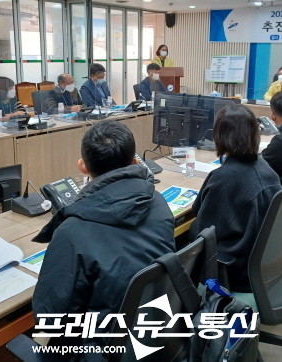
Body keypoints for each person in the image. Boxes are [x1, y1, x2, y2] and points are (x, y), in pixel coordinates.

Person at [32, 120, 175, 350]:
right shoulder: (157, 201)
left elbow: (49, 318)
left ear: (82, 166)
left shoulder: (71, 232)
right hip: (155, 332)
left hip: (102, 347)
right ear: (135, 162)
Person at [191, 103, 282, 292]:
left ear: (219, 136)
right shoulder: (266, 169)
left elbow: (201, 223)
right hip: (263, 263)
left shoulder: (223, 178)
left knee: (184, 235)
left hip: (234, 271)